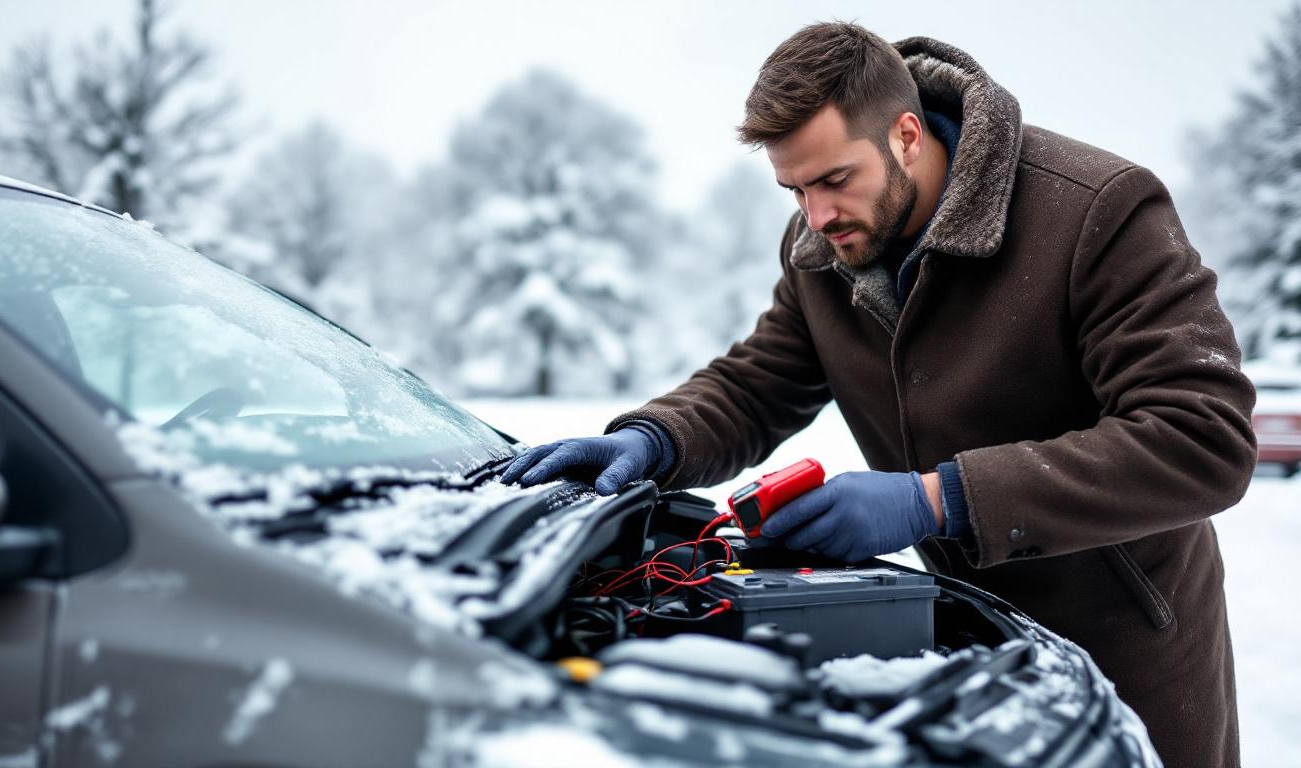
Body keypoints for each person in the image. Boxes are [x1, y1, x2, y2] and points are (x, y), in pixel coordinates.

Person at [500, 22, 1255, 767]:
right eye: (794, 189)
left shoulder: (1098, 211)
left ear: (905, 134)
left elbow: (1202, 438)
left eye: (834, 180)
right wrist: (654, 439)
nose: (817, 216)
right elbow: (757, 383)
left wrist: (934, 501)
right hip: (964, 649)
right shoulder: (823, 249)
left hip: (1126, 653)